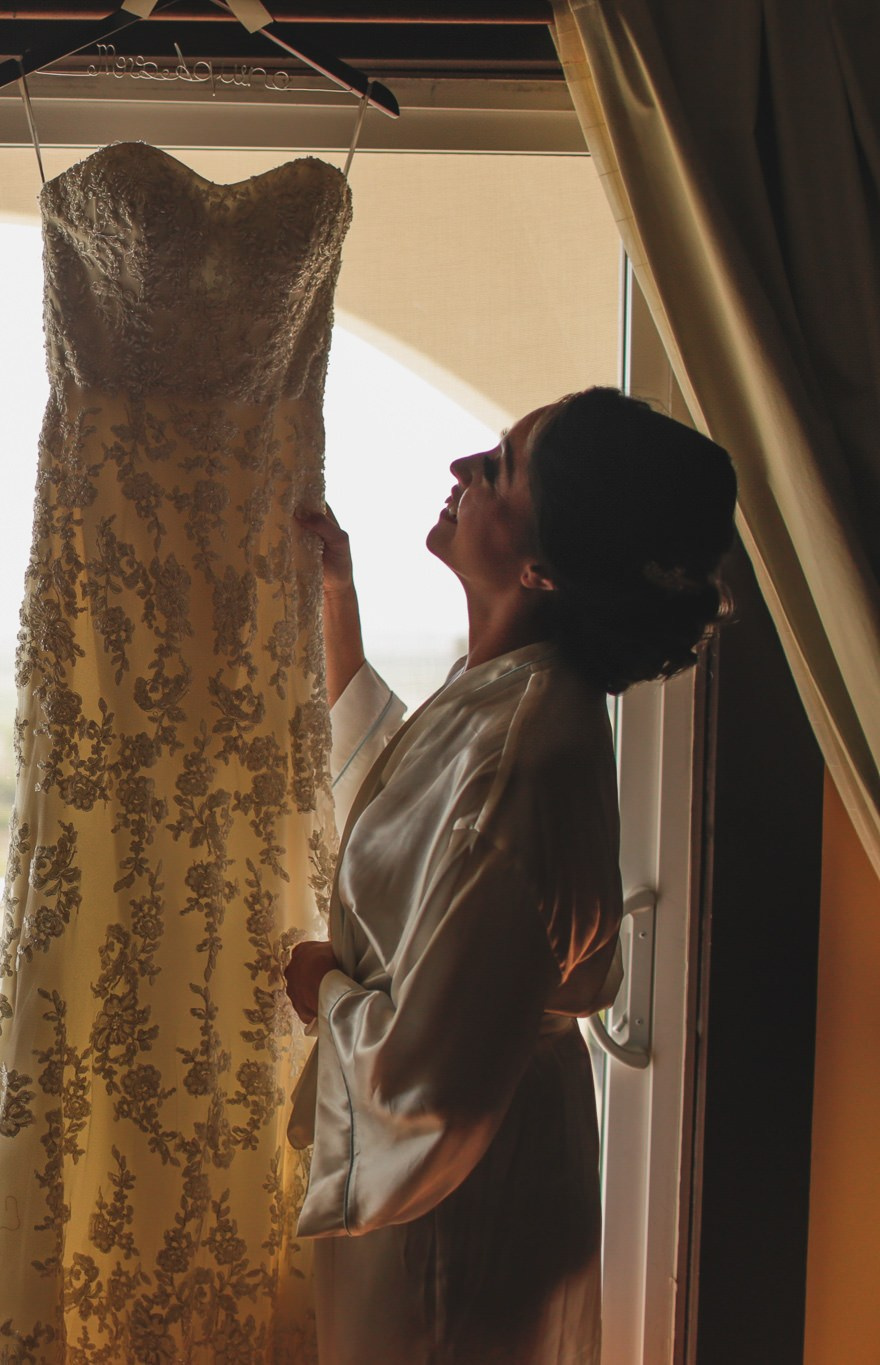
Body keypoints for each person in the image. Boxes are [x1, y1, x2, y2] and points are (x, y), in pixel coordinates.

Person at [286, 387, 737, 1364]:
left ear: (541, 564)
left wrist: (320, 986)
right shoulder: (515, 695)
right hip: (495, 1183)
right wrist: (335, 601)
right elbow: (403, 819)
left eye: (496, 467)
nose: (459, 472)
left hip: (458, 1223)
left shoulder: (526, 752)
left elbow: (426, 1092)